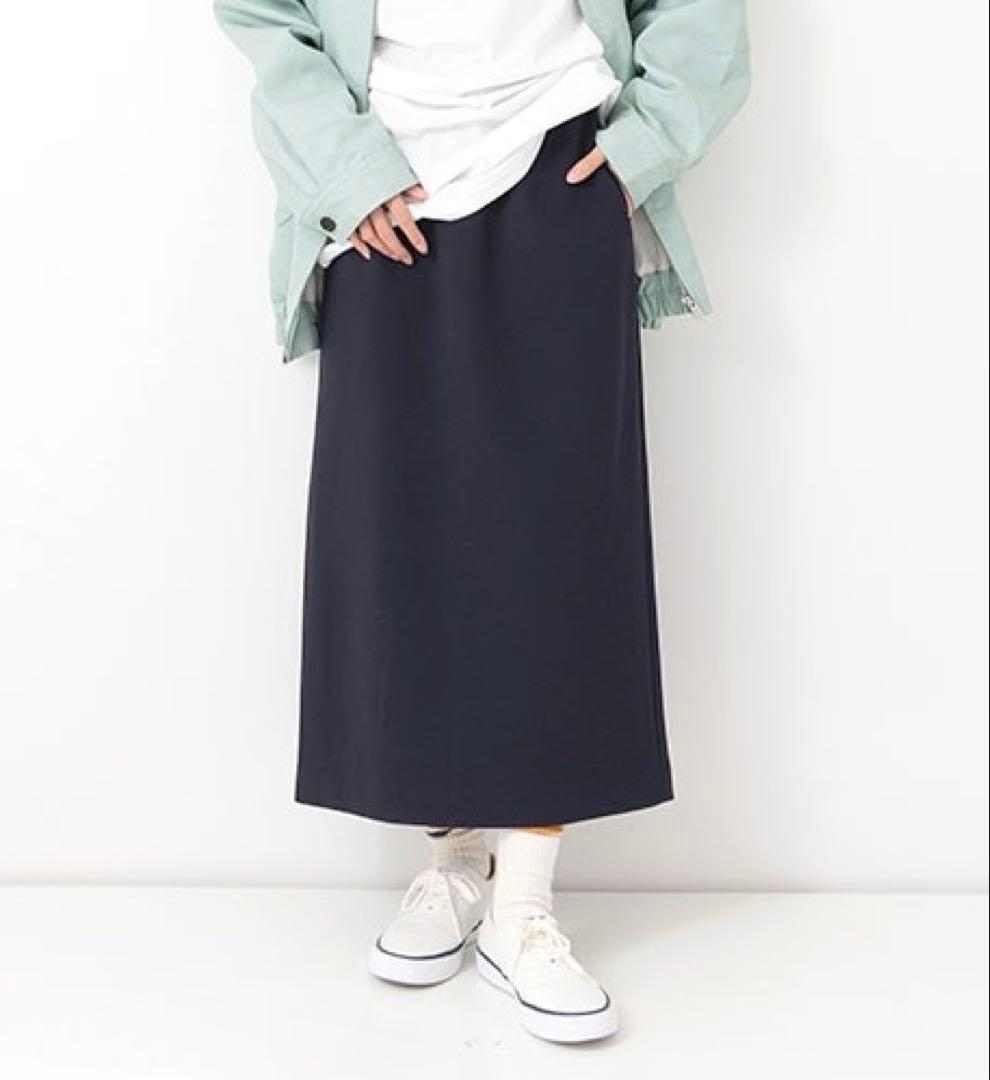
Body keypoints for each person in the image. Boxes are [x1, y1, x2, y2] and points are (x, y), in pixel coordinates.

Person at [214, 0, 749, 1044]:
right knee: (402, 534)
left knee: (556, 539)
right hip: (381, 180)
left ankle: (526, 905)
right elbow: (264, 15)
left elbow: (702, 13)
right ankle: (455, 862)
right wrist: (341, 168)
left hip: (560, 160)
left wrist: (641, 148)